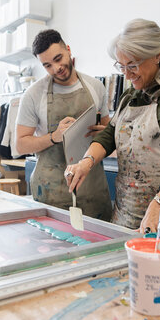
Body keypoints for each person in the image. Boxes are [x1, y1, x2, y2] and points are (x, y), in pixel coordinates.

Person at [65, 19, 160, 235]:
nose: (127, 75)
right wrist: (86, 162)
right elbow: (109, 135)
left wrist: (159, 202)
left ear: (157, 55)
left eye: (132, 65)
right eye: (121, 66)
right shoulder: (130, 95)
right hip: (127, 212)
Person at [15, 29, 112, 221]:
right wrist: (54, 136)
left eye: (59, 58)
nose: (56, 68)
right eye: (47, 65)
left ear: (68, 49)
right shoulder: (34, 94)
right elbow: (20, 144)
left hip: (93, 191)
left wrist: (104, 133)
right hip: (52, 193)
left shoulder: (96, 87)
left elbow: (108, 134)